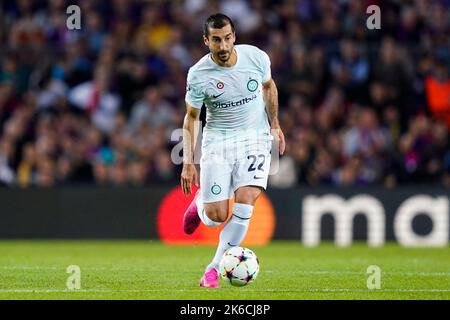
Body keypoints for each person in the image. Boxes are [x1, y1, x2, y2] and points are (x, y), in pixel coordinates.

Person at [180, 13, 285, 288]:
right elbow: (191, 118)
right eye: (216, 40)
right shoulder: (199, 74)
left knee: (246, 198)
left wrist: (275, 124)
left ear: (234, 36)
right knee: (216, 218)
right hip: (218, 142)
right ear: (206, 41)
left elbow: (268, 87)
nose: (223, 46)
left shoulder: (256, 58)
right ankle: (201, 205)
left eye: (227, 38)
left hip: (255, 139)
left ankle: (213, 269)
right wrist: (188, 162)